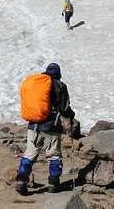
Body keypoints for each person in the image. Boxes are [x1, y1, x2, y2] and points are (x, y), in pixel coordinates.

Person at [16, 63, 75, 195]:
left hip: (34, 126)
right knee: (54, 155)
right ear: (58, 74)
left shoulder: (37, 83)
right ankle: (53, 184)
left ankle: (21, 182)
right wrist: (71, 116)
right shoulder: (60, 86)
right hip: (52, 127)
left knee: (30, 154)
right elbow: (65, 109)